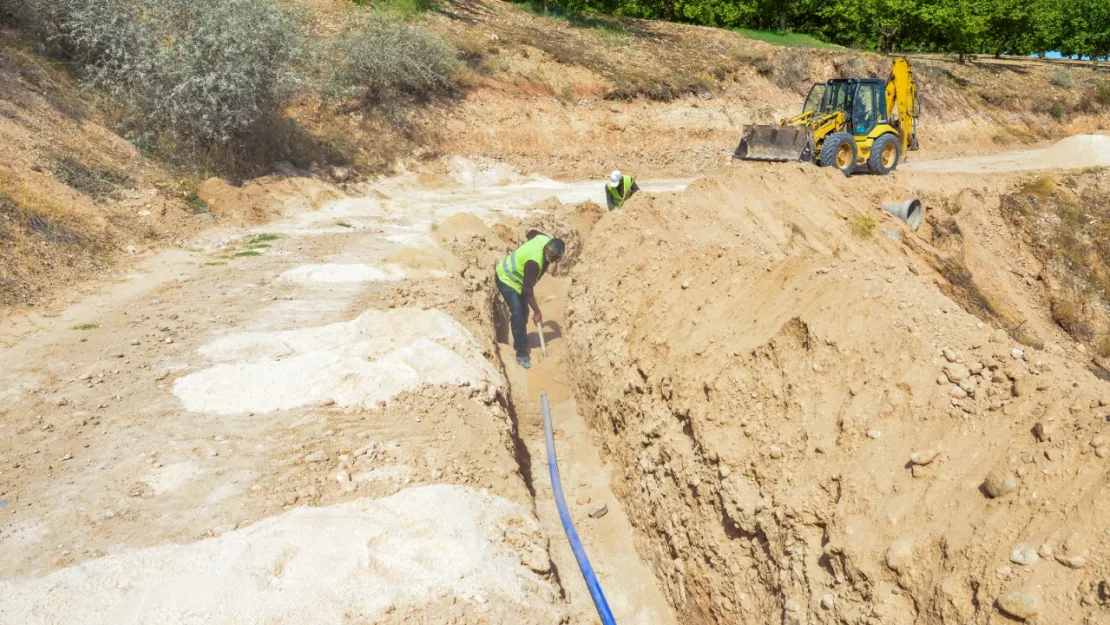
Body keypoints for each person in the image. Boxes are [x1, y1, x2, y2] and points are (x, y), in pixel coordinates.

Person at [495, 231, 565, 369]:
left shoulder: (543, 239)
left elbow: (530, 233)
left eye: (556, 258)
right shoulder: (534, 263)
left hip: (519, 280)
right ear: (546, 249)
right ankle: (521, 352)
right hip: (506, 278)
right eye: (552, 257)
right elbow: (527, 291)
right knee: (518, 312)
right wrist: (538, 312)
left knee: (524, 312)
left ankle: (520, 334)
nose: (554, 260)